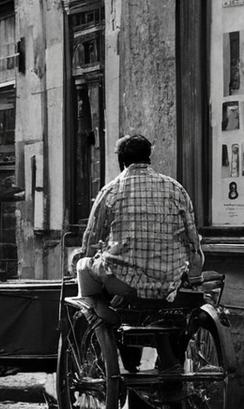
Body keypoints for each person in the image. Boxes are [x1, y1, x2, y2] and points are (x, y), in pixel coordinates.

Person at [74, 133, 204, 375]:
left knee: (83, 264)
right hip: (169, 284)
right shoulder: (176, 189)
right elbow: (192, 240)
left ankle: (102, 315)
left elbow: (91, 239)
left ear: (122, 161)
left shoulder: (111, 190)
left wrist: (89, 254)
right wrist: (192, 270)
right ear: (149, 157)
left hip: (126, 285)